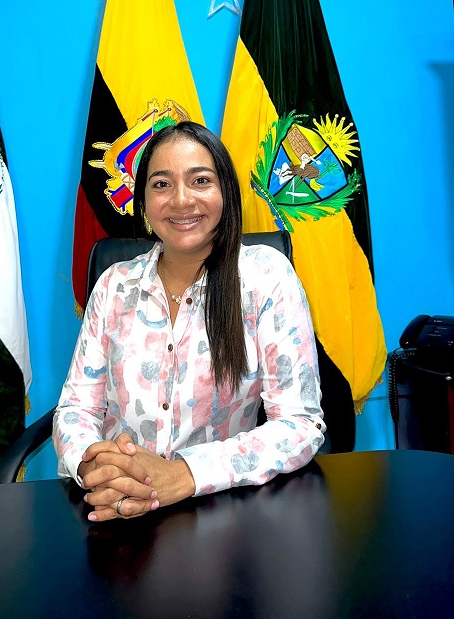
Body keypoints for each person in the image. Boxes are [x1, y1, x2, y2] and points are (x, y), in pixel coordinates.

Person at [53, 122, 325, 521]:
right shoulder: (114, 285)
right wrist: (94, 466)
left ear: (225, 193)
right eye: (161, 184)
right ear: (143, 202)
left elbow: (300, 424)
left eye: (200, 181)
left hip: (219, 514)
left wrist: (184, 474)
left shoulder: (265, 277)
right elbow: (77, 408)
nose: (181, 200)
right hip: (115, 507)